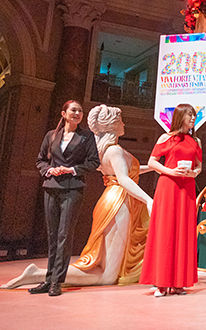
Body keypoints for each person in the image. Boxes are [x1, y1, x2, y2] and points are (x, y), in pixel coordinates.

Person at [1, 105, 152, 290]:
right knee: (106, 275)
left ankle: (48, 276)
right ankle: (38, 275)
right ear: (112, 125)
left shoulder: (106, 151)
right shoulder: (113, 151)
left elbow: (129, 172)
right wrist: (149, 200)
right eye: (120, 120)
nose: (124, 124)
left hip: (114, 199)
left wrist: (156, 167)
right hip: (118, 202)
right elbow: (124, 179)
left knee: (104, 267)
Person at [30, 100, 100, 296]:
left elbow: (94, 162)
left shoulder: (86, 137)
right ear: (64, 113)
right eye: (73, 110)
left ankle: (57, 282)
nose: (77, 113)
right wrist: (49, 170)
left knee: (64, 235)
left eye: (80, 111)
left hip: (73, 188)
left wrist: (72, 169)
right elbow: (40, 160)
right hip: (51, 187)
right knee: (52, 235)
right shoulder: (51, 136)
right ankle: (48, 279)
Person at [140, 104, 202, 297]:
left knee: (184, 231)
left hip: (187, 187)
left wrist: (193, 173)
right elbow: (152, 162)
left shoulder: (196, 140)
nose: (193, 118)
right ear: (180, 116)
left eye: (194, 115)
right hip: (168, 186)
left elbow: (199, 166)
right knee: (165, 231)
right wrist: (171, 171)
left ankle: (179, 283)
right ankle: (161, 282)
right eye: (190, 115)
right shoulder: (166, 137)